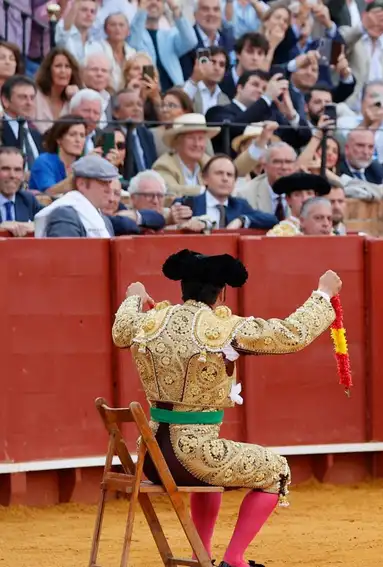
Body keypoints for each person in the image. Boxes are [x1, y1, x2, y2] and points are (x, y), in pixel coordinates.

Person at [111, 250, 342, 567]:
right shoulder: (223, 328)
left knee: (211, 472)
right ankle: (235, 560)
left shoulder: (150, 321)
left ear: (183, 287)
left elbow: (121, 329)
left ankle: (200, 555)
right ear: (221, 293)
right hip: (193, 454)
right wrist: (323, 295)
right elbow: (292, 335)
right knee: (276, 471)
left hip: (151, 457)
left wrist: (134, 297)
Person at [33, 154, 118, 238]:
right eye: (103, 182)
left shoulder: (104, 220)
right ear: (82, 184)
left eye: (109, 182)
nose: (109, 189)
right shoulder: (64, 216)